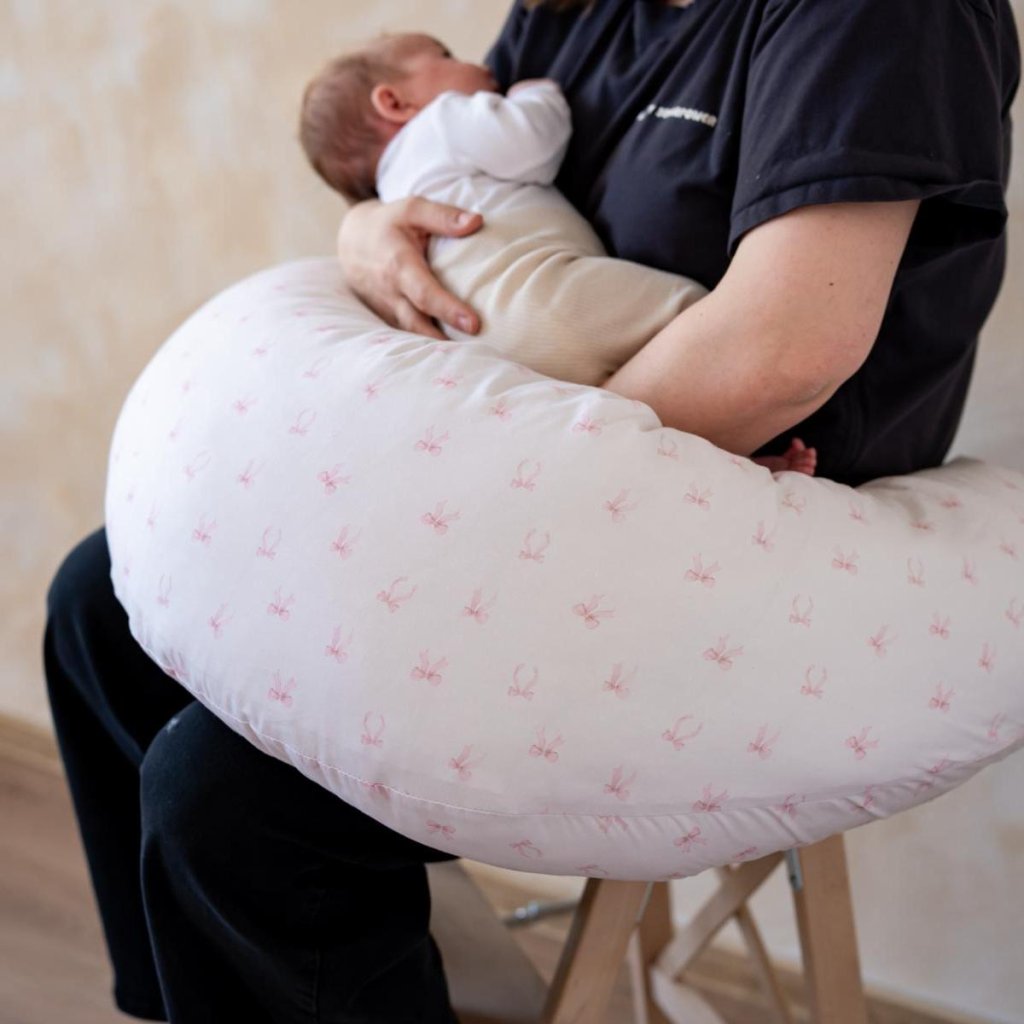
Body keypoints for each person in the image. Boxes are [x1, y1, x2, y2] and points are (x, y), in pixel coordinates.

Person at [44, 1, 1019, 1021]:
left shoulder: (874, 20)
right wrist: (368, 227)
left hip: (730, 524)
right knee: (98, 609)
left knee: (226, 804)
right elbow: (450, 172)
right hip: (535, 461)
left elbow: (781, 352)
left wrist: (520, 479)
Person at [299, 31, 815, 471]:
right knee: (704, 321)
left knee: (623, 406)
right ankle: (747, 451)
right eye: (446, 56)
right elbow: (532, 144)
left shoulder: (396, 192)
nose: (480, 64)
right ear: (393, 103)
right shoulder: (442, 122)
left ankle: (737, 467)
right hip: (541, 294)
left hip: (490, 344)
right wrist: (538, 94)